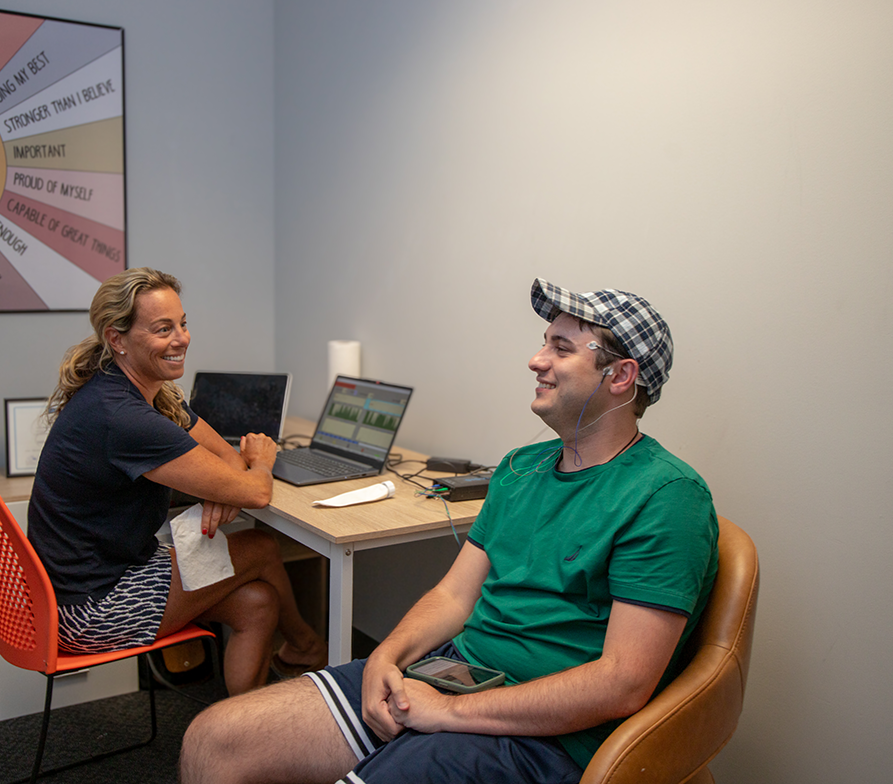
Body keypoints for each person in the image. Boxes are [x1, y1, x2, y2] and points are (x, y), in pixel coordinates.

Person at [178, 278, 719, 784]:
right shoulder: (520, 467)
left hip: (546, 736)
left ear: (619, 375)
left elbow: (622, 682)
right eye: (543, 344)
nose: (537, 360)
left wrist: (453, 712)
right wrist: (387, 658)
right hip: (452, 673)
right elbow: (453, 595)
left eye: (561, 348)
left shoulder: (666, 497)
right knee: (213, 740)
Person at [26, 268, 325, 695]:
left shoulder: (146, 391)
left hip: (97, 579)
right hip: (89, 607)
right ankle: (308, 646)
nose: (181, 338)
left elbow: (223, 456)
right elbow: (256, 490)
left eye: (182, 324)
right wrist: (259, 460)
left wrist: (221, 485)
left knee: (258, 604)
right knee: (260, 547)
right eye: (163, 329)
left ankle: (244, 732)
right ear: (117, 339)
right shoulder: (124, 417)